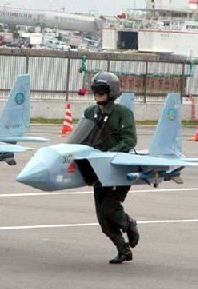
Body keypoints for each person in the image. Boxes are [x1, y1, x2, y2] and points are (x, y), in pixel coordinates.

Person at [81, 71, 139, 264]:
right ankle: (123, 250)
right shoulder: (91, 113)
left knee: (109, 208)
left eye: (102, 90)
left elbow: (130, 140)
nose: (98, 94)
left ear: (112, 92)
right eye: (96, 90)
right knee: (103, 219)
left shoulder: (123, 114)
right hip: (97, 169)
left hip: (117, 169)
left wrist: (109, 154)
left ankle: (129, 224)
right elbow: (81, 136)